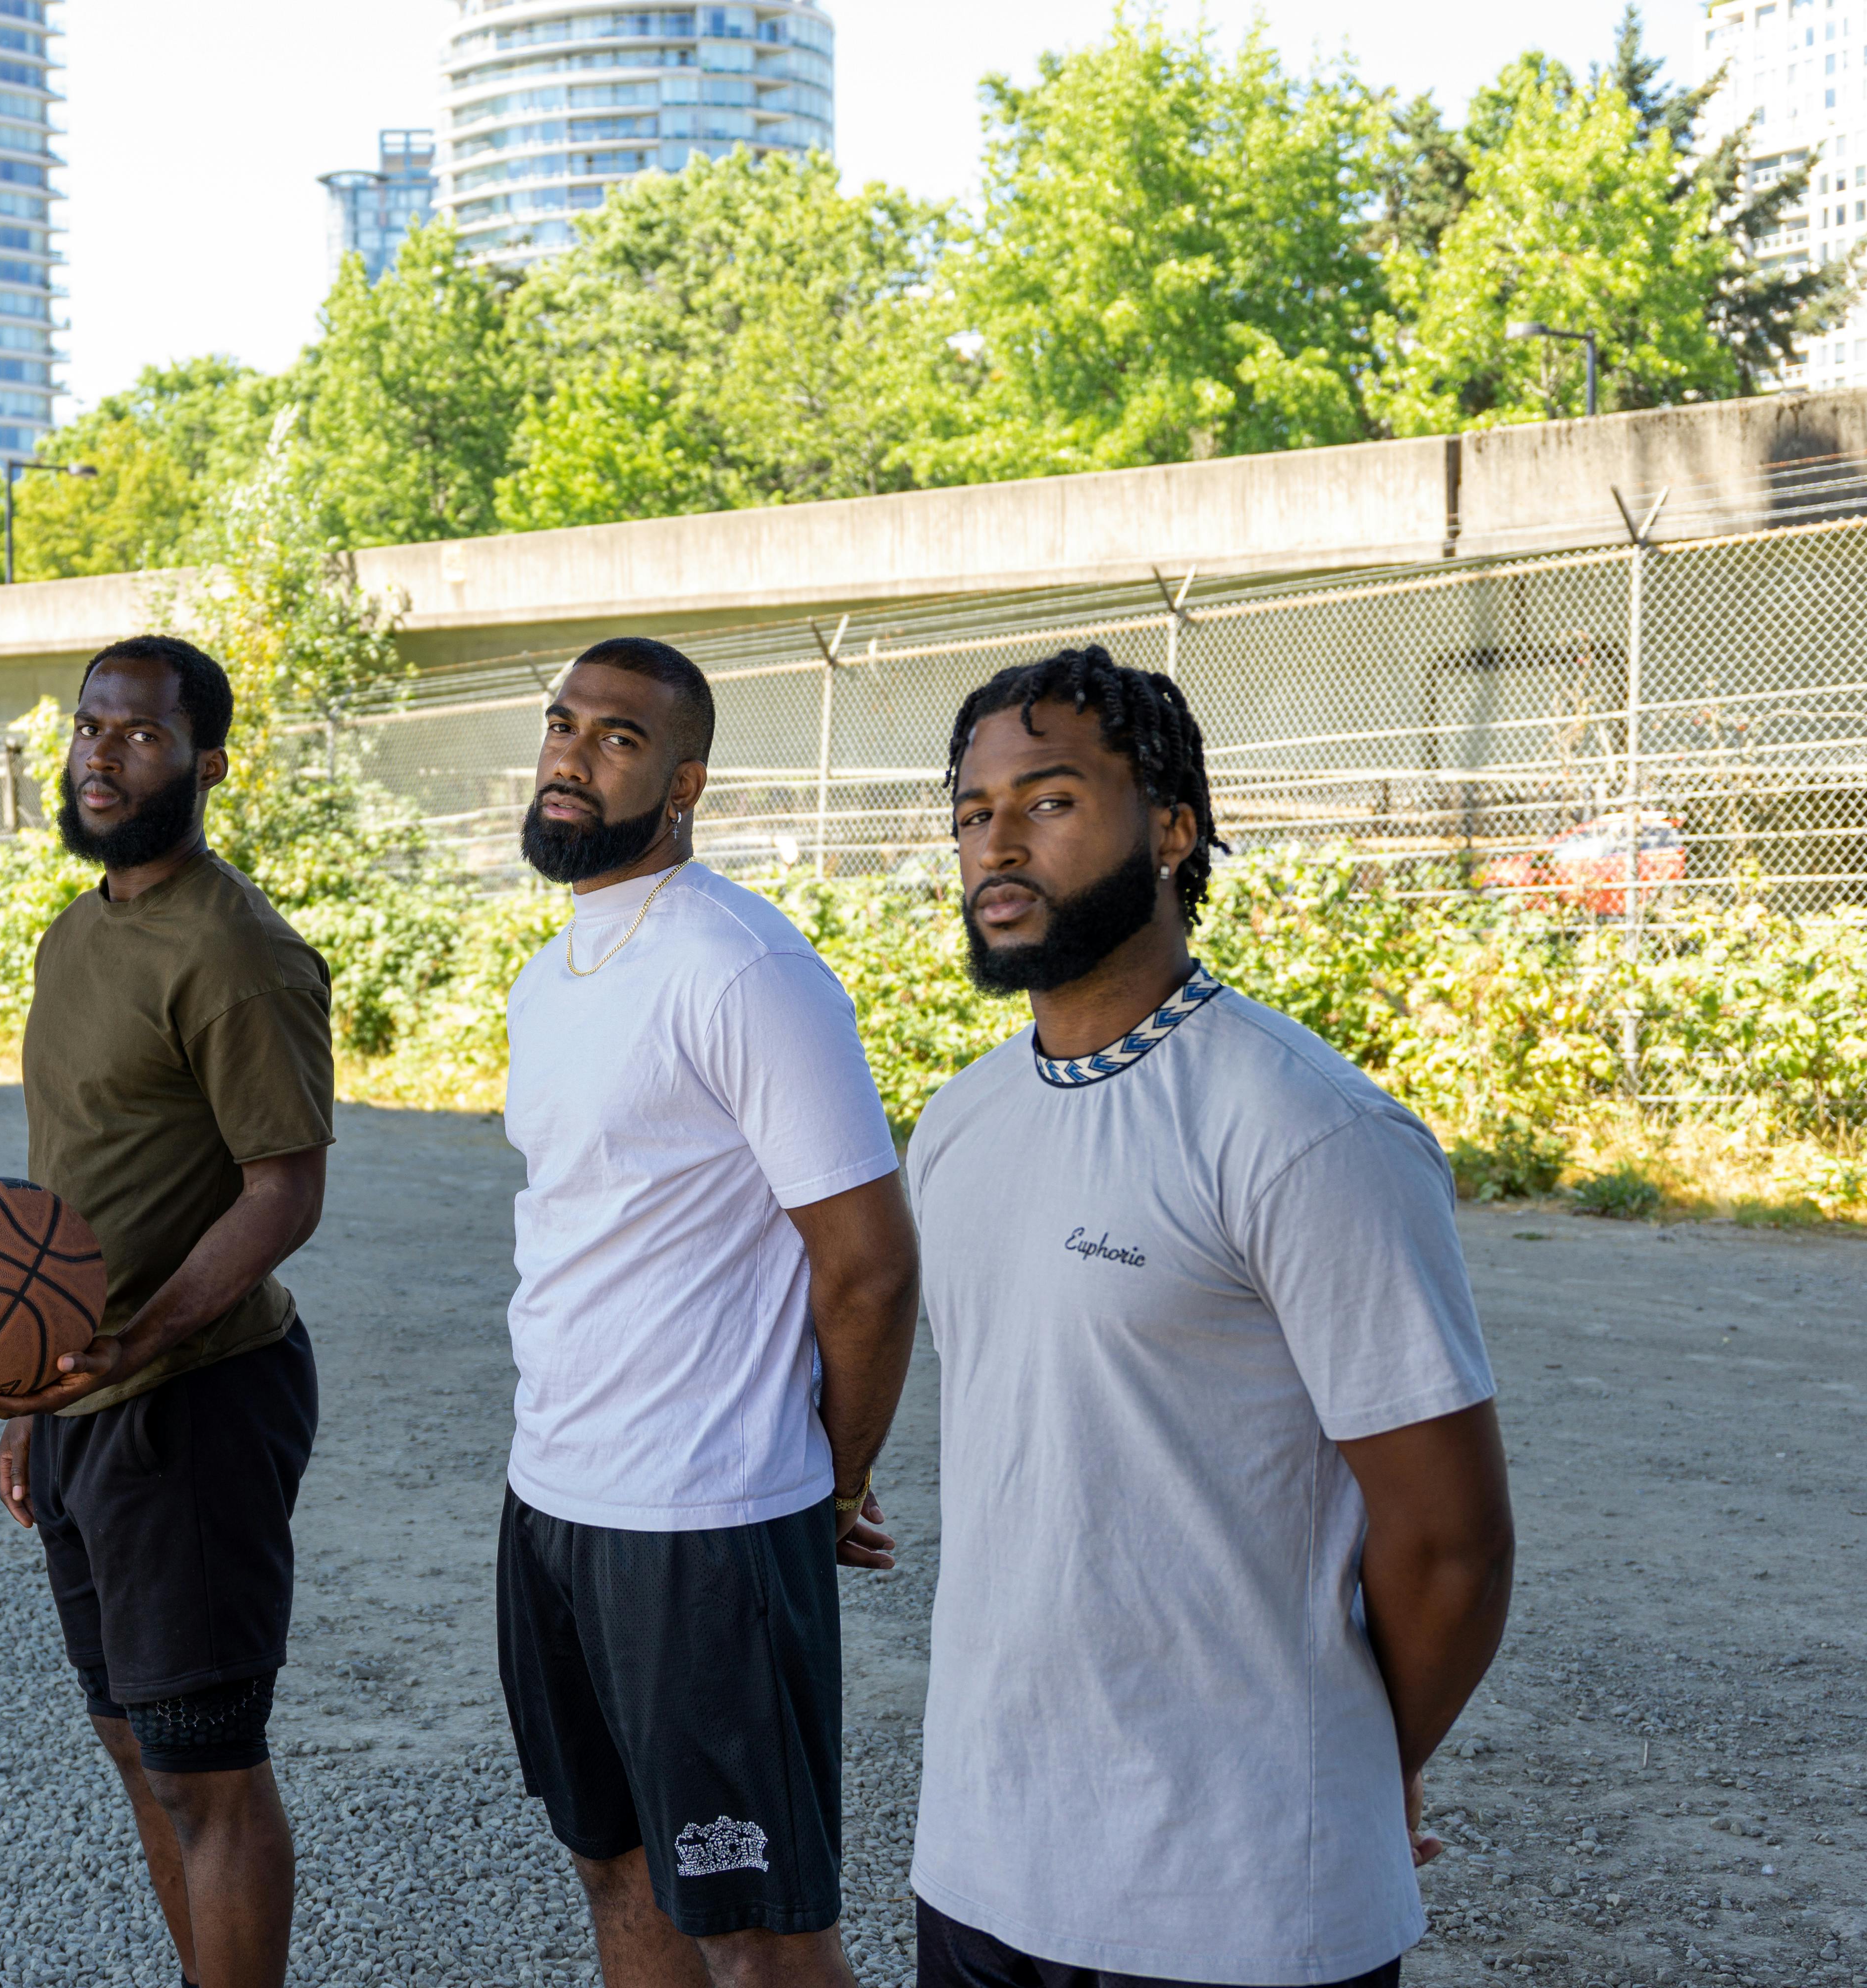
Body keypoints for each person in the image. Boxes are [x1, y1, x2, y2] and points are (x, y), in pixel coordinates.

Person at [903, 646, 1516, 1988]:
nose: (995, 843)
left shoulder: (1306, 1131)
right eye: (969, 811)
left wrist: (1359, 1768)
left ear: (1173, 829)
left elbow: (1452, 1544)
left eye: (1050, 801)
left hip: (1238, 1900)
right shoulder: (960, 1125)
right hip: (981, 1866)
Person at [497, 636, 921, 1988]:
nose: (572, 752)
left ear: (685, 783)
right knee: (616, 1868)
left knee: (760, 1934)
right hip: (554, 1499)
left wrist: (827, 1477)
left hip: (706, 1523)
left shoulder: (741, 966)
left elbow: (870, 1262)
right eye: (564, 725)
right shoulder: (548, 976)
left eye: (616, 738)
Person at [0, 634, 334, 1988]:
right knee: (137, 1746)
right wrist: (33, 1384)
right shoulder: (76, 936)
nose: (103, 756)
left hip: (196, 1405)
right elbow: (70, 1180)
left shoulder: (238, 953)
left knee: (211, 1772)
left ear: (207, 763)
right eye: (88, 728)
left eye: (141, 735)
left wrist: (144, 1337)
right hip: (85, 1404)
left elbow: (284, 1191)